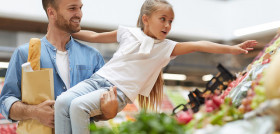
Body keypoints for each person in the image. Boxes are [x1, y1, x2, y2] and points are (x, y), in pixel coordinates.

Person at [54, 0, 258, 133]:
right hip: (96, 80)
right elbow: (95, 36)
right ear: (146, 19)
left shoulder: (167, 47)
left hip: (117, 91)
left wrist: (232, 49)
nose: (168, 25)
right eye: (163, 19)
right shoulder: (127, 32)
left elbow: (199, 45)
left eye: (170, 21)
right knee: (62, 102)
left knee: (78, 106)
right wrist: (66, 31)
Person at [0, 0, 119, 129]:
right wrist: (35, 112)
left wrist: (108, 113)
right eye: (72, 8)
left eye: (80, 8)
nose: (79, 14)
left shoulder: (93, 57)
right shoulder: (25, 54)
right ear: (52, 12)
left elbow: (99, 109)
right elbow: (5, 101)